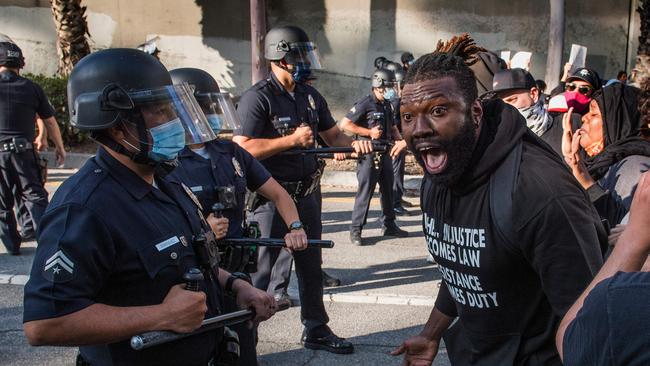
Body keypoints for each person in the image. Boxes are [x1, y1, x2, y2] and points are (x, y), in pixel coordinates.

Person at [22, 48, 277, 366]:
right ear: (117, 128)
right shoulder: (85, 208)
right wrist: (159, 316)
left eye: (173, 108)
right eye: (160, 112)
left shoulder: (165, 179)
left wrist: (234, 284)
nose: (175, 122)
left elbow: (191, 258)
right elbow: (44, 325)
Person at [391, 38, 605, 366]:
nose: (419, 130)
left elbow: (589, 324)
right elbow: (462, 269)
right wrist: (431, 333)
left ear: (475, 112)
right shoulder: (438, 177)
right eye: (407, 116)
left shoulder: (539, 191)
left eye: (437, 111)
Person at [233, 25, 372, 354]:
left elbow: (334, 137)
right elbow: (241, 148)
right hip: (269, 200)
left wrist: (359, 144)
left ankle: (316, 328)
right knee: (260, 272)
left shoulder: (309, 95)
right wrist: (290, 141)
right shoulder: (258, 97)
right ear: (279, 58)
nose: (303, 63)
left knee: (311, 265)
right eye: (297, 57)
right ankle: (244, 339)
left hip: (307, 194)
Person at [168, 67, 308, 366]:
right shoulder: (167, 160)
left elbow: (279, 193)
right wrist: (202, 228)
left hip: (237, 271)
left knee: (243, 346)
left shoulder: (228, 151)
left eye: (212, 107)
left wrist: (295, 226)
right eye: (204, 108)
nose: (211, 115)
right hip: (196, 275)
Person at [557, 171, 650, 366]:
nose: (582, 140)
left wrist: (635, 240)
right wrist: (584, 178)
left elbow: (571, 337)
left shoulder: (619, 304)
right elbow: (620, 218)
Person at [0, 40, 65, 255]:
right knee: (35, 196)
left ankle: (12, 246)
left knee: (2, 202)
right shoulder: (32, 88)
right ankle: (47, 242)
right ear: (20, 64)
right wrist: (60, 147)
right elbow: (50, 121)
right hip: (23, 152)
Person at [561, 82, 650, 226]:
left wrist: (587, 183)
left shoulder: (635, 167)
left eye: (594, 113)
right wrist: (570, 160)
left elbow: (622, 229)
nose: (584, 118)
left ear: (617, 122)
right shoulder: (600, 161)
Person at [339, 68, 409, 245]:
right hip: (369, 155)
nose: (391, 90)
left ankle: (389, 225)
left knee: (388, 191)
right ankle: (356, 230)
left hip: (385, 153)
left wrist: (400, 142)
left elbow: (392, 127)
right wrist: (368, 132)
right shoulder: (365, 103)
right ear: (378, 85)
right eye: (388, 86)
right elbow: (345, 124)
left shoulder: (387, 105)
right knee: (365, 193)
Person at [492, 68, 564, 155]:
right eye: (500, 104)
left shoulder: (567, 126)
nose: (506, 108)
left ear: (533, 94)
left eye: (512, 100)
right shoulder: (498, 139)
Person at [391, 69, 412, 216]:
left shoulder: (401, 101)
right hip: (395, 144)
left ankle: (398, 198)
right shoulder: (395, 102)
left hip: (401, 142)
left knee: (399, 173)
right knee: (395, 174)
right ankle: (394, 203)